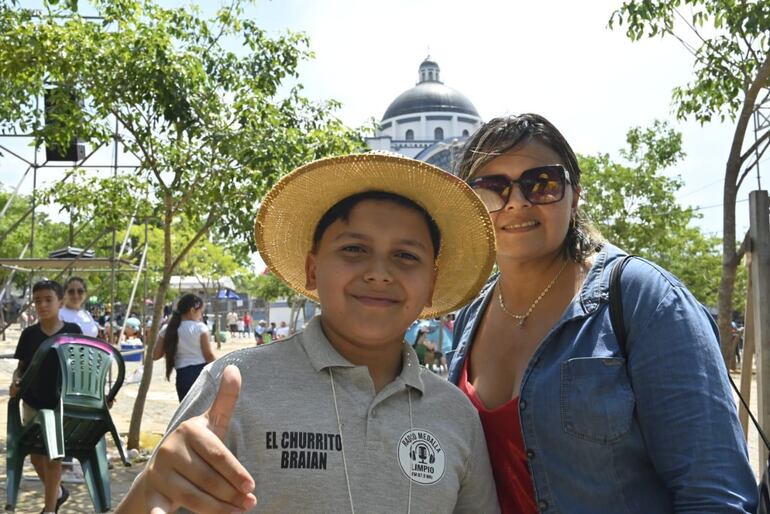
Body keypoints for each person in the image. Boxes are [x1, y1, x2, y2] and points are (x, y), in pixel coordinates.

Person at [115, 152, 500, 513]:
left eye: (405, 256)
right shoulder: (234, 387)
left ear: (431, 283)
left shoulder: (456, 415)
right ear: (313, 269)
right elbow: (161, 500)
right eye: (354, 249)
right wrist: (149, 488)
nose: (379, 273)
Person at [449, 113, 757, 513]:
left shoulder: (643, 298)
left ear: (574, 194)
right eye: (492, 188)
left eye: (541, 184)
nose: (517, 201)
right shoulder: (470, 316)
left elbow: (715, 492)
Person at [11, 279, 81, 513]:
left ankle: (49, 509)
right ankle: (59, 492)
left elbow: (83, 367)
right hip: (32, 402)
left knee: (54, 458)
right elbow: (21, 367)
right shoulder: (28, 335)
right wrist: (15, 383)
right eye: (37, 300)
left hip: (61, 404)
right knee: (35, 458)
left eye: (48, 299)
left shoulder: (73, 332)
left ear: (60, 301)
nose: (42, 304)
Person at [153, 294, 216, 401]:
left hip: (182, 376)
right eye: (200, 312)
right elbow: (208, 355)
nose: (201, 316)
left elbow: (155, 355)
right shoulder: (200, 328)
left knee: (186, 414)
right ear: (192, 310)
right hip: (201, 374)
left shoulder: (167, 329)